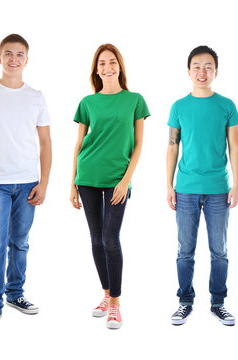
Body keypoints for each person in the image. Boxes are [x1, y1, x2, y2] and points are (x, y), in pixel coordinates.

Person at [0, 34, 52, 331]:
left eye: (19, 54)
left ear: (26, 60)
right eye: (8, 53)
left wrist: (44, 182)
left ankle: (16, 294)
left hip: (29, 182)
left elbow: (46, 143)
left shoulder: (36, 97)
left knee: (20, 243)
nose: (13, 59)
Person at [69, 44, 149, 330]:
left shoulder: (135, 100)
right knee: (95, 239)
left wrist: (126, 180)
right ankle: (105, 295)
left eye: (112, 62)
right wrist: (72, 183)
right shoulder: (87, 103)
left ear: (120, 66)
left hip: (118, 178)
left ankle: (115, 303)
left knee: (110, 239)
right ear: (96, 70)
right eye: (102, 63)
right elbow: (79, 145)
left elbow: (139, 144)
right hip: (87, 175)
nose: (107, 68)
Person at [166, 45, 238, 326]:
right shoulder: (178, 107)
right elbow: (172, 147)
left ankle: (218, 303)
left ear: (216, 72)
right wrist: (168, 185)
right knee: (185, 250)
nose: (202, 71)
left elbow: (234, 146)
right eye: (196, 66)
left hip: (219, 189)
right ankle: (185, 302)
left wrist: (237, 184)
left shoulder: (227, 105)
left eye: (208, 66)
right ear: (188, 71)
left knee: (219, 251)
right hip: (185, 188)